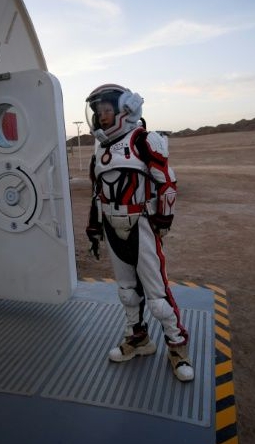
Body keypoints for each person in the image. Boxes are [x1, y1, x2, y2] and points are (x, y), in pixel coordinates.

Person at [85, 83, 194, 382]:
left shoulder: (144, 140)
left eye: (108, 110)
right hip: (111, 224)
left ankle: (177, 346)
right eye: (99, 112)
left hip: (142, 223)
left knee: (157, 296)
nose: (102, 117)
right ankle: (138, 340)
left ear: (125, 110)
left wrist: (163, 220)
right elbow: (97, 193)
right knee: (126, 292)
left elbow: (166, 182)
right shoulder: (99, 148)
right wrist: (94, 228)